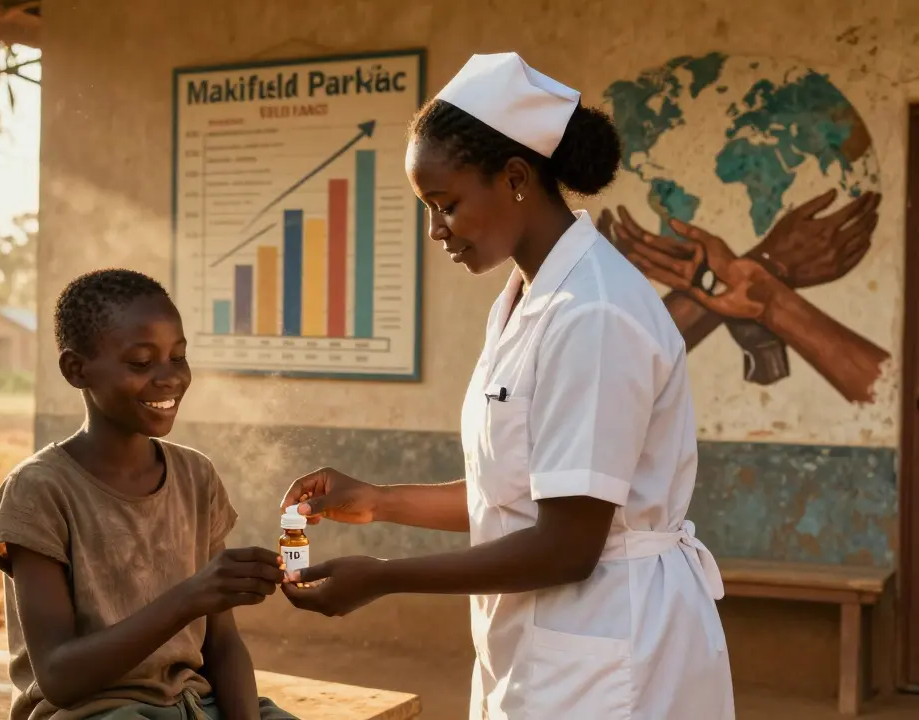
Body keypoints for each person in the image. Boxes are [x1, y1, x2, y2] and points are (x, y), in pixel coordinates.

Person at [280, 53, 735, 719]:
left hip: (611, 650)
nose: (436, 231)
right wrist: (378, 500)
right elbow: (519, 497)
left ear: (516, 177)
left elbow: (567, 545)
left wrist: (383, 577)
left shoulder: (593, 313)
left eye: (446, 204)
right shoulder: (528, 299)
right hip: (547, 646)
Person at [0, 269, 294, 720]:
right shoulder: (39, 491)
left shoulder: (196, 476)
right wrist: (190, 597)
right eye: (141, 363)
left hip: (195, 705)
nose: (169, 378)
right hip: (99, 713)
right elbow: (57, 677)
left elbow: (223, 644)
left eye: (178, 357)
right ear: (77, 370)